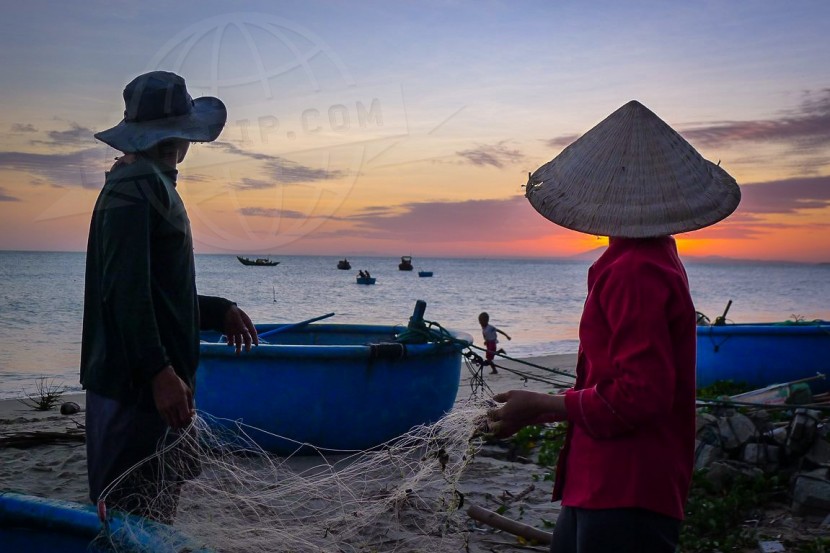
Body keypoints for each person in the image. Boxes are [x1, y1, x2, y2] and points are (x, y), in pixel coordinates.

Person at [488, 100, 740, 553]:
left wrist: (543, 402)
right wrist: (541, 410)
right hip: (599, 480)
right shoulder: (647, 257)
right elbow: (612, 387)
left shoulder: (635, 271)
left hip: (626, 488)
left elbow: (641, 397)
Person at [80, 71, 259, 523]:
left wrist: (219, 311)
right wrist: (158, 372)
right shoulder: (134, 187)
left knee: (156, 517)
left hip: (158, 387)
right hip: (135, 393)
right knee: (130, 522)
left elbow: (159, 290)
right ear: (182, 132)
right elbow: (125, 292)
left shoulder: (151, 184)